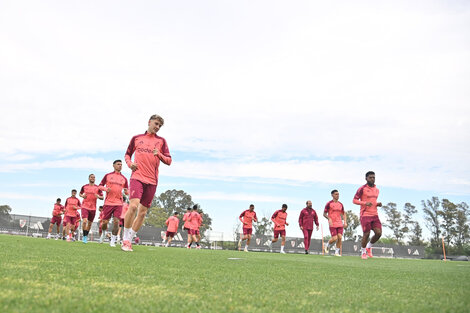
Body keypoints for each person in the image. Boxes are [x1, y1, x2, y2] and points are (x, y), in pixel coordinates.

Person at [122, 114, 172, 252]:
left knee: (143, 213)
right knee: (133, 207)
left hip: (152, 180)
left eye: (160, 126)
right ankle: (125, 238)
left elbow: (169, 161)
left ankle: (130, 238)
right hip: (137, 177)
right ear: (149, 122)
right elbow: (127, 154)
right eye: (156, 124)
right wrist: (130, 163)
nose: (157, 127)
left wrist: (159, 155)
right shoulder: (136, 138)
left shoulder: (162, 141)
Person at [99, 160, 129, 247]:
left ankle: (113, 240)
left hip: (119, 203)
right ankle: (104, 232)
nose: (120, 166)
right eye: (118, 164)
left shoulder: (124, 178)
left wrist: (127, 191)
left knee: (116, 222)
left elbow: (127, 191)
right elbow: (100, 186)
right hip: (108, 203)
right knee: (104, 222)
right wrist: (105, 189)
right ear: (113, 165)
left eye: (121, 164)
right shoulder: (108, 176)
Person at [353, 171, 382, 259]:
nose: (372, 179)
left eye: (373, 177)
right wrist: (365, 203)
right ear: (366, 178)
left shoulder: (377, 190)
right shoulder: (362, 189)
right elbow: (354, 200)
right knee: (366, 234)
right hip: (365, 214)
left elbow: (373, 202)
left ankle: (369, 247)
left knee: (378, 233)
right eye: (370, 177)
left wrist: (377, 204)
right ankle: (363, 252)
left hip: (375, 215)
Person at [79, 174, 104, 244]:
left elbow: (102, 197)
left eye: (94, 177)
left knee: (89, 224)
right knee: (84, 221)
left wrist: (98, 196)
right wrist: (82, 196)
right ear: (89, 178)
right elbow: (80, 194)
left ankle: (86, 236)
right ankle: (84, 236)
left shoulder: (97, 188)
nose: (93, 178)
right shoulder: (84, 186)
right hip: (84, 206)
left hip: (93, 208)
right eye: (91, 177)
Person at [324, 190, 347, 256]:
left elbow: (344, 213)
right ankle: (327, 244)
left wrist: (345, 222)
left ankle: (336, 252)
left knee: (340, 237)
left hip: (339, 223)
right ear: (332, 195)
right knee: (335, 238)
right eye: (336, 194)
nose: (338, 195)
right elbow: (324, 214)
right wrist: (329, 219)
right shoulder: (329, 203)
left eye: (338, 194)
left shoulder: (341, 204)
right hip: (332, 223)